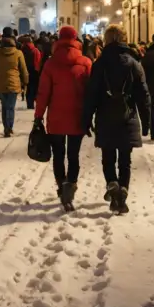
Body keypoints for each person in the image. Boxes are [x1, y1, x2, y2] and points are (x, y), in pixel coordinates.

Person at [83, 25, 150, 215]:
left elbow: (91, 94)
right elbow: (143, 95)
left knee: (108, 158)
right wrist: (146, 122)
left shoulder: (100, 64)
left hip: (105, 115)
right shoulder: (134, 63)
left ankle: (112, 185)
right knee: (125, 160)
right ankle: (123, 190)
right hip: (127, 116)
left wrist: (87, 119)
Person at [35, 26, 91, 210]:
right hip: (77, 116)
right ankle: (71, 184)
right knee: (73, 155)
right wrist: (91, 114)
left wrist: (38, 116)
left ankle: (61, 185)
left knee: (58, 155)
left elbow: (43, 93)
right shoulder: (85, 62)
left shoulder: (50, 63)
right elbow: (91, 91)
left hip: (56, 118)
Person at [0, 28, 28, 137]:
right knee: (11, 107)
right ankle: (9, 127)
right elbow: (23, 69)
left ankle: (6, 127)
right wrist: (25, 81)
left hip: (1, 83)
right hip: (14, 83)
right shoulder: (18, 53)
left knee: (4, 106)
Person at [19, 34, 42, 110]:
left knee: (27, 88)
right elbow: (38, 62)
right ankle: (31, 104)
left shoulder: (21, 50)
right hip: (33, 72)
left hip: (24, 71)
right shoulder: (35, 50)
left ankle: (28, 102)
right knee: (32, 88)